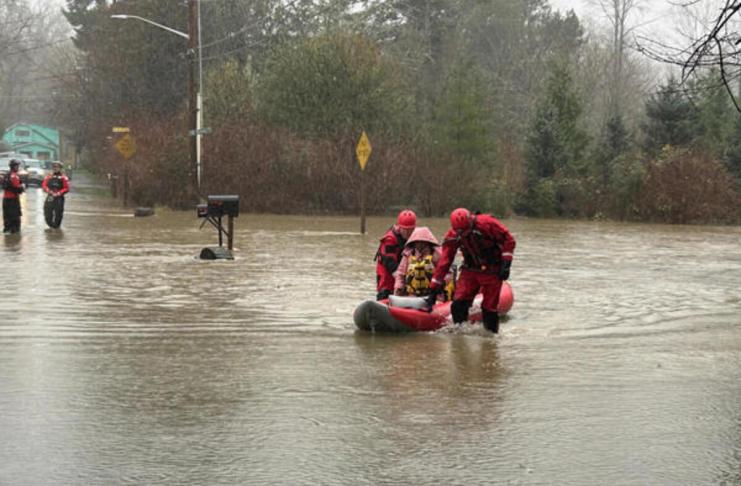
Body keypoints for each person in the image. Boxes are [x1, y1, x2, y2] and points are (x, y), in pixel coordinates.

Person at [426, 208, 516, 333]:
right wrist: (433, 290)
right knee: (458, 303)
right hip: (470, 269)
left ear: (471, 222)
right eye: (461, 232)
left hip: (492, 270)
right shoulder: (453, 236)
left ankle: (491, 339)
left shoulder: (487, 223)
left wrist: (506, 263)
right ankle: (460, 335)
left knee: (489, 307)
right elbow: (444, 261)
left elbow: (508, 240)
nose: (464, 234)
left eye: (466, 230)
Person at [393, 226, 451, 300]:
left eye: (422, 241)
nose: (419, 244)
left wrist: (442, 286)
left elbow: (447, 272)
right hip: (412, 295)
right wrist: (398, 288)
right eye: (417, 241)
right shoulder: (408, 254)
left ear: (427, 242)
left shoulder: (436, 254)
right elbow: (401, 274)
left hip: (434, 295)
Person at [374, 209, 416, 300]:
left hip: (404, 273)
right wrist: (402, 279)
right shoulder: (390, 239)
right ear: (400, 227)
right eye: (405, 230)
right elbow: (389, 262)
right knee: (386, 292)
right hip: (388, 276)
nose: (408, 233)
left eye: (410, 230)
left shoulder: (417, 237)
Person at [41, 161, 70, 229]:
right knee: (47, 211)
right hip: (50, 196)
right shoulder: (49, 176)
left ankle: (56, 227)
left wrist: (59, 193)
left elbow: (66, 188)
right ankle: (50, 225)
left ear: (60, 168)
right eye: (54, 167)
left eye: (57, 167)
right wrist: (49, 191)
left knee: (58, 213)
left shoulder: (64, 178)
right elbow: (44, 185)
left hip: (59, 197)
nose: (55, 168)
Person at [2, 159, 25, 234]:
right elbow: (17, 188)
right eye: (16, 166)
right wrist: (22, 187)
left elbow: (4, 186)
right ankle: (15, 233)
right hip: (13, 200)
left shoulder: (7, 175)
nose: (17, 167)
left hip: (6, 199)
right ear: (13, 166)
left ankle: (7, 230)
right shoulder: (14, 176)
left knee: (7, 217)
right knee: (15, 217)